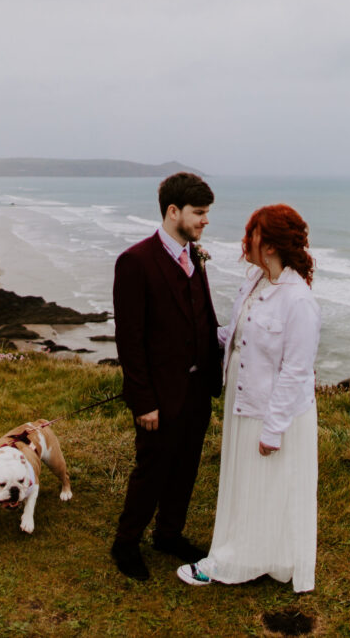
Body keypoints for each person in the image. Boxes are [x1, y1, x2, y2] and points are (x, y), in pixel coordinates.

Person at [177, 203, 321, 593]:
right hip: (242, 404)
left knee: (267, 488)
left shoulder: (298, 301)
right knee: (245, 486)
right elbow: (235, 336)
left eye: (252, 234)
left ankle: (234, 561)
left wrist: (273, 430)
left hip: (274, 414)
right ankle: (252, 554)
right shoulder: (255, 281)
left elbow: (296, 371)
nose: (246, 240)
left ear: (270, 245)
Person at [110, 172, 224, 581]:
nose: (205, 220)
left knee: (186, 467)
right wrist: (143, 401)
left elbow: (204, 318)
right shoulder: (135, 262)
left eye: (207, 212)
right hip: (159, 396)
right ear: (173, 212)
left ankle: (168, 535)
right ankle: (125, 544)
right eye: (199, 212)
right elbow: (130, 339)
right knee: (152, 470)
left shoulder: (195, 256)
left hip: (196, 391)